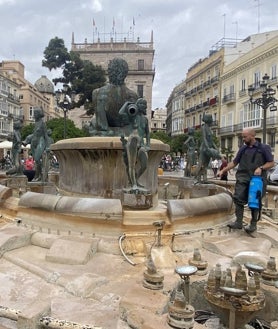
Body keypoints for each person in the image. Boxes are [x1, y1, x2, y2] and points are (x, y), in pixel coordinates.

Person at [218, 128, 274, 233]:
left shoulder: (264, 148)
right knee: (237, 198)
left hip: (257, 180)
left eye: (245, 136)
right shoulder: (243, 149)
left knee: (255, 202)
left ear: (252, 136)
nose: (243, 139)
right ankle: (238, 222)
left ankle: (253, 224)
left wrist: (261, 168)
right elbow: (234, 162)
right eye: (242, 137)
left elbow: (271, 163)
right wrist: (223, 171)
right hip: (243, 178)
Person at [119, 98, 150, 190]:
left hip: (142, 144)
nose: (145, 106)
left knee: (144, 165)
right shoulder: (132, 116)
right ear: (138, 105)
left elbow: (147, 133)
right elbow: (120, 113)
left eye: (145, 105)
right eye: (142, 104)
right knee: (131, 165)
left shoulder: (145, 119)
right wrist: (126, 103)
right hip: (132, 141)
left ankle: (135, 180)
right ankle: (134, 185)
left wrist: (148, 144)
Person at [22, 107, 48, 181]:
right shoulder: (36, 123)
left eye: (35, 113)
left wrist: (47, 146)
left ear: (39, 114)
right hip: (34, 142)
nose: (34, 115)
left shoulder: (43, 123)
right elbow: (34, 134)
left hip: (40, 141)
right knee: (36, 161)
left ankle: (38, 175)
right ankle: (38, 176)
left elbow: (46, 135)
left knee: (36, 159)